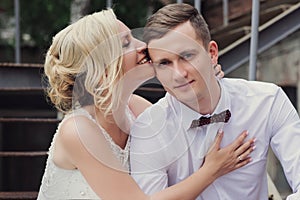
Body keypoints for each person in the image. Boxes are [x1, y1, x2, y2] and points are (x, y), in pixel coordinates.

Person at [37, 8, 255, 200]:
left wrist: (204, 79)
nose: (144, 46)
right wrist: (212, 171)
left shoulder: (137, 108)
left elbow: (187, 140)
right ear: (103, 70)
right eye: (126, 43)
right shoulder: (77, 130)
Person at [130, 3, 300, 200]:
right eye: (165, 63)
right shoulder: (148, 130)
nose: (178, 74)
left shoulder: (267, 101)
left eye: (187, 56)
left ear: (211, 53)